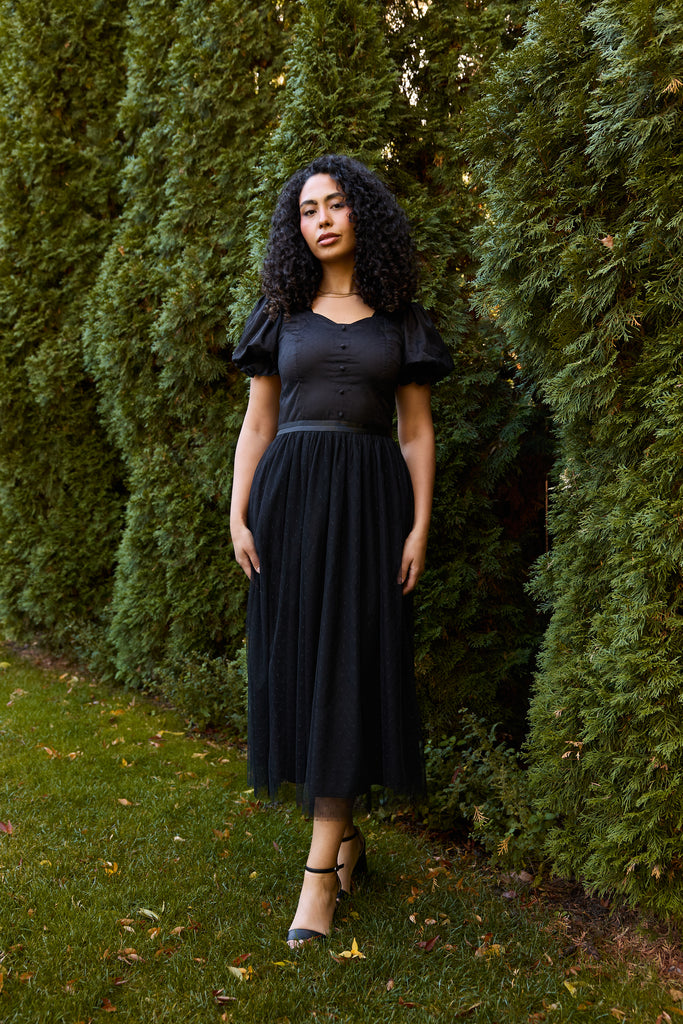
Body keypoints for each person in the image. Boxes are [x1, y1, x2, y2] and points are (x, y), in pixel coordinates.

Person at [230, 154, 452, 947]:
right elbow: (257, 423)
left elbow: (417, 432)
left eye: (334, 205)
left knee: (351, 663)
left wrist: (419, 525)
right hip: (289, 502)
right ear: (297, 230)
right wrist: (239, 515)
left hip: (370, 504)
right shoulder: (280, 315)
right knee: (306, 667)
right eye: (306, 211)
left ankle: (318, 876)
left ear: (361, 215)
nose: (320, 219)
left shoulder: (401, 318)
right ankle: (344, 842)